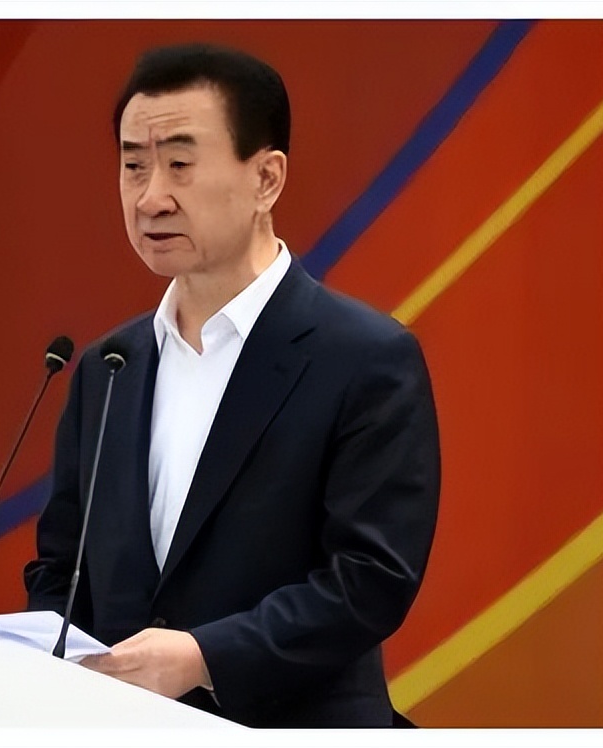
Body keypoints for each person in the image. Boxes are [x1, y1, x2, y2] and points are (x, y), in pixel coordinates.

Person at [24, 43, 440, 728]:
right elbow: (59, 568)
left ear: (266, 179)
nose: (150, 197)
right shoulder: (108, 367)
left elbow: (370, 579)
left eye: (180, 165)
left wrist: (203, 657)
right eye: (133, 166)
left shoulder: (365, 357)